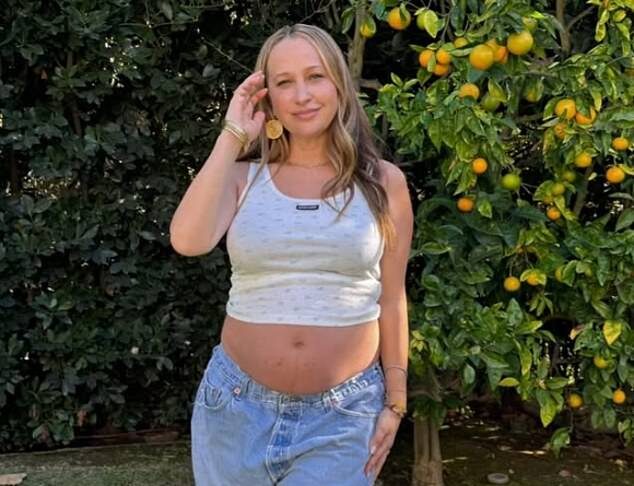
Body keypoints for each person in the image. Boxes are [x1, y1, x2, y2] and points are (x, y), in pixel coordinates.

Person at [169, 23, 413, 485]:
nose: (302, 95)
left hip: (344, 416)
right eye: (284, 82)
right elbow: (187, 240)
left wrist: (395, 402)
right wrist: (232, 135)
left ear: (338, 83)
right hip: (235, 410)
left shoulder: (384, 184)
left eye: (315, 76)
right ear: (269, 99)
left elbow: (392, 296)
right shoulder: (242, 178)